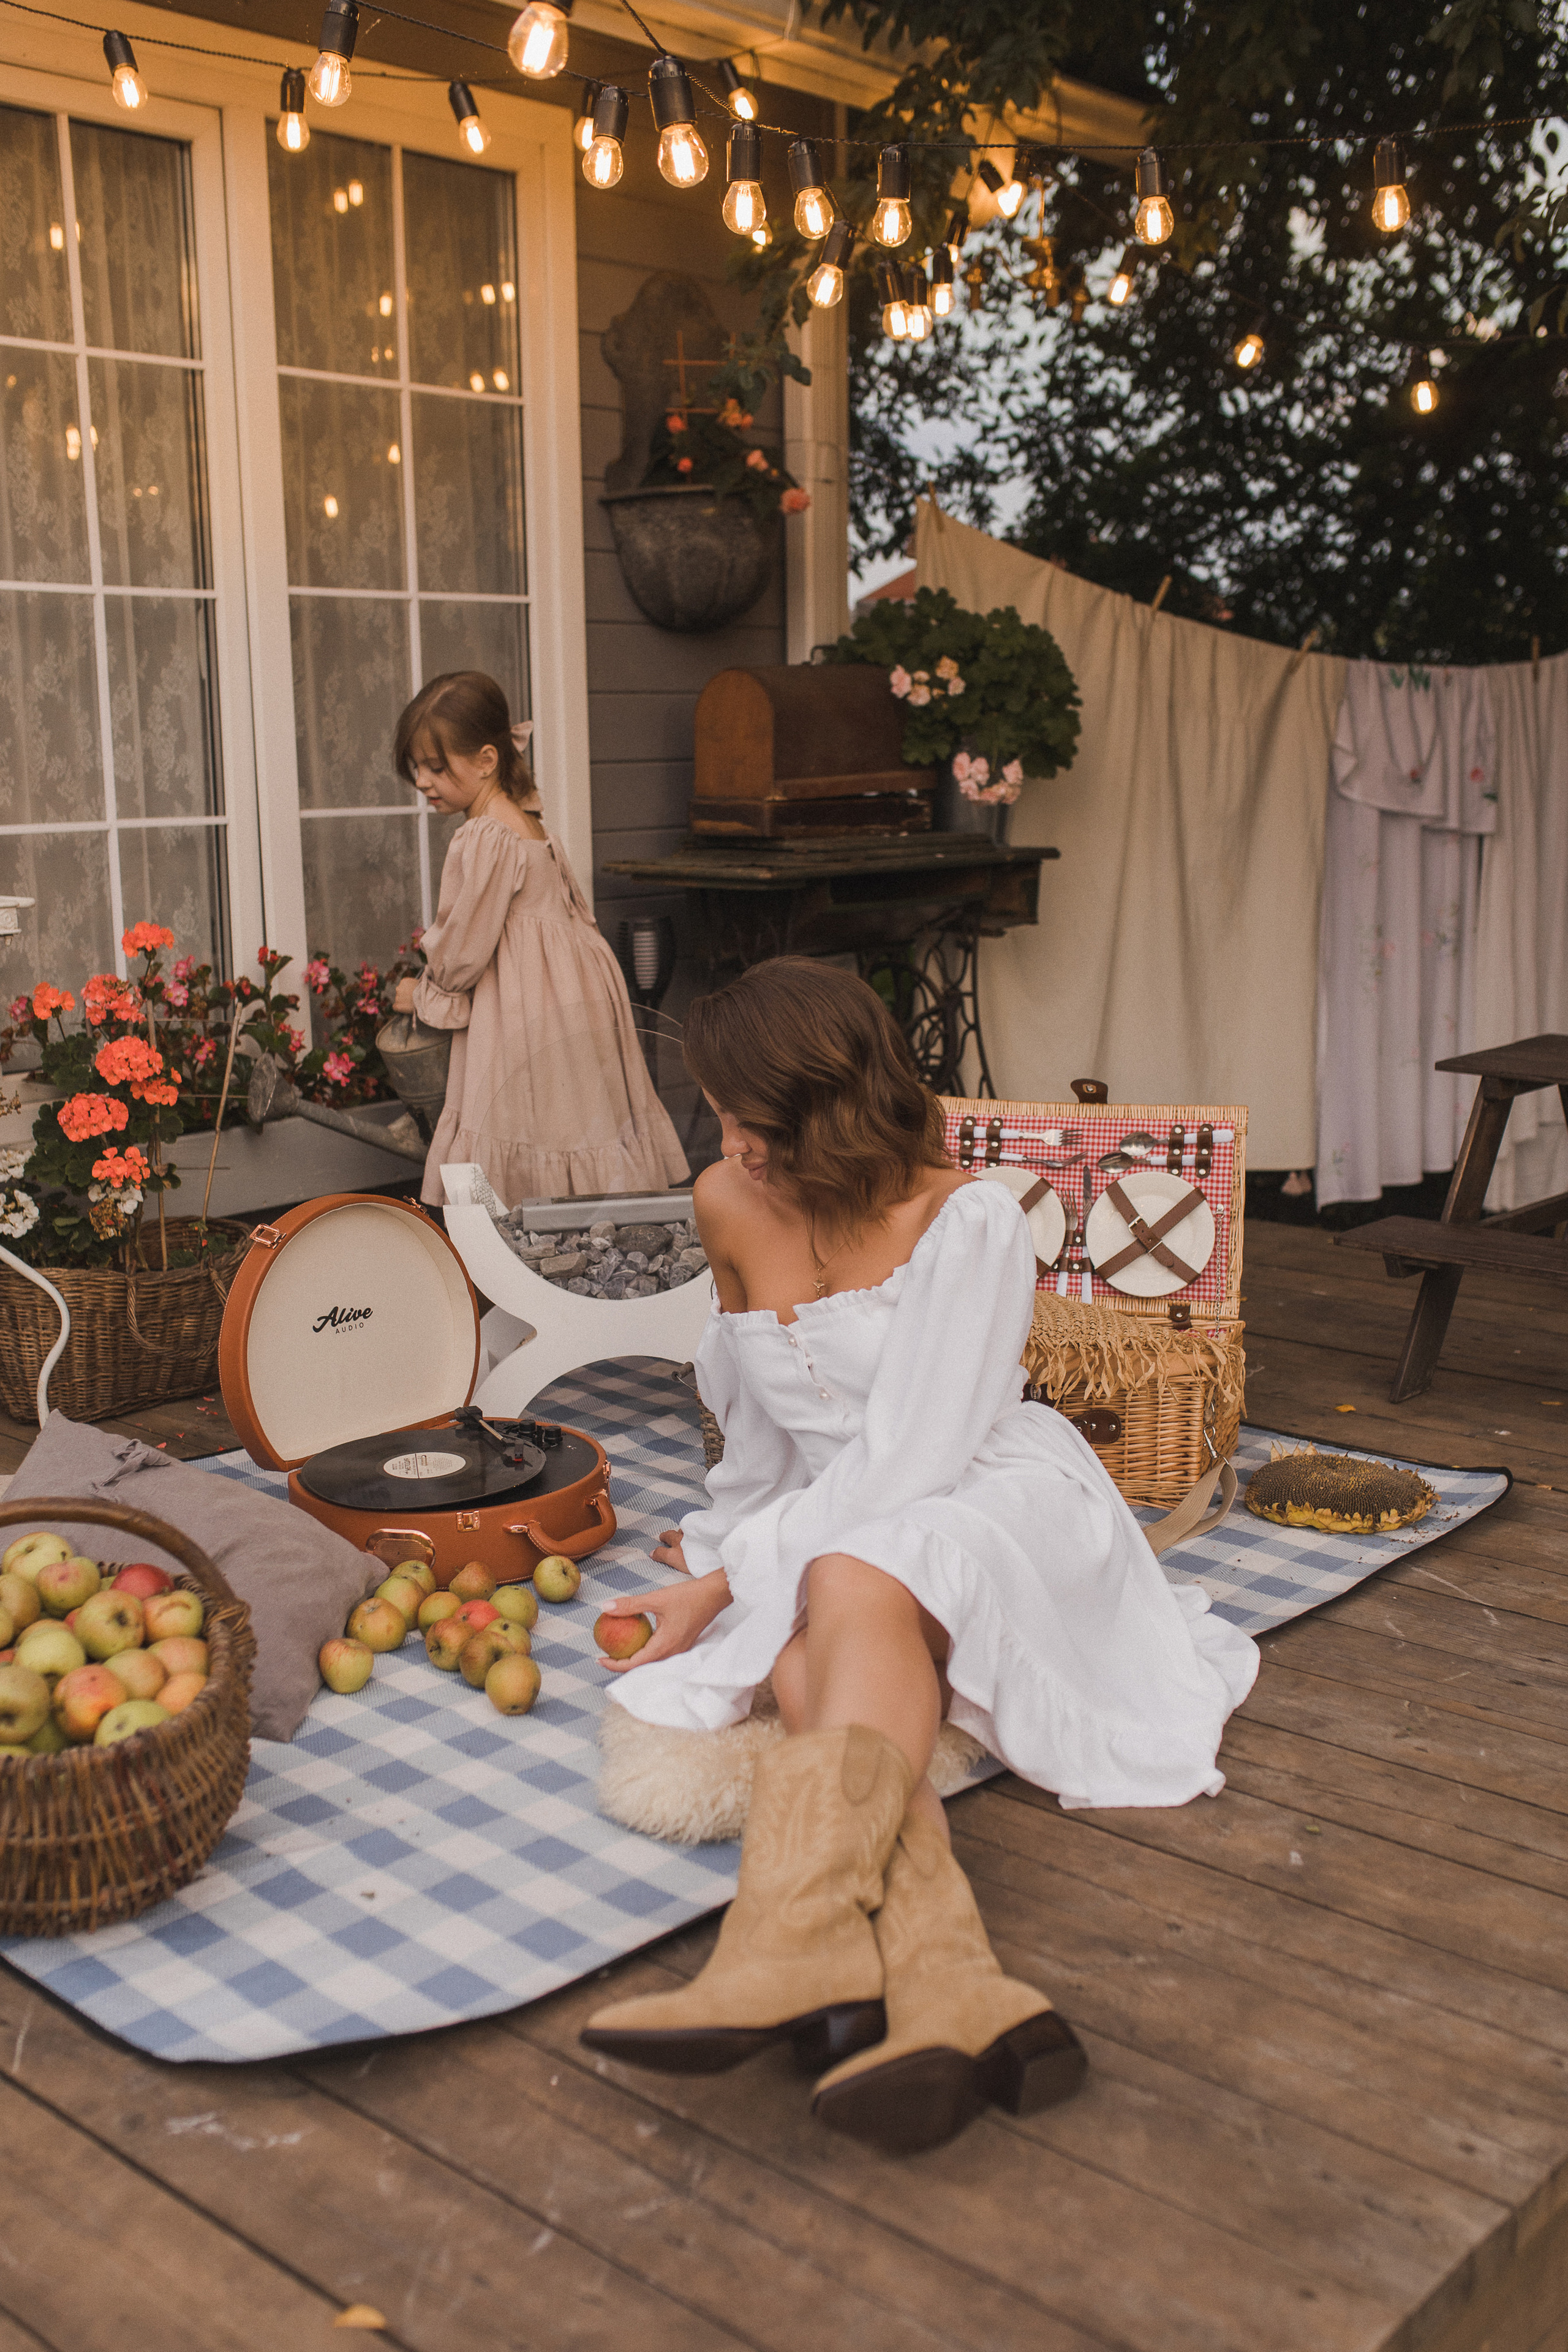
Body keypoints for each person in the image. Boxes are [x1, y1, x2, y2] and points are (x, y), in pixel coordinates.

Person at [581, 958, 1259, 2155]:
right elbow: (755, 1431)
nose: (731, 1145)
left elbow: (913, 1457)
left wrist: (728, 1581)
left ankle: (783, 1941)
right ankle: (957, 1988)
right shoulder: (727, 1201)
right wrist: (730, 1555)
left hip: (988, 1492)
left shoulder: (967, 1220)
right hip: (848, 1515)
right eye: (720, 1116)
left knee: (843, 1580)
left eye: (755, 1120)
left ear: (833, 1107)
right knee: (799, 1660)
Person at [389, 673, 687, 1208]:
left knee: (522, 1119)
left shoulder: (486, 834)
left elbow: (463, 949)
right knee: (570, 1118)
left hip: (525, 1007)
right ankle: (580, 1234)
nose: (424, 782)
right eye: (417, 768)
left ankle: (520, 1241)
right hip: (570, 999)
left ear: (486, 760)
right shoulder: (528, 820)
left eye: (437, 767)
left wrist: (426, 993)